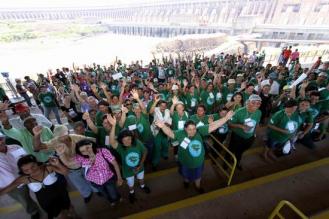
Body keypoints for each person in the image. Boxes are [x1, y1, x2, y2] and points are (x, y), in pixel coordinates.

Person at [154, 111, 234, 193]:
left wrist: (226, 118)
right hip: (185, 163)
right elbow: (170, 133)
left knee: (198, 176)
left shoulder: (199, 131)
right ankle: (186, 182)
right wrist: (163, 126)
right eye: (189, 129)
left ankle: (197, 186)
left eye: (194, 129)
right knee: (185, 175)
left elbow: (213, 125)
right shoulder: (180, 133)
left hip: (198, 162)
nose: (192, 131)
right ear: (185, 129)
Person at [33, 125, 97, 203]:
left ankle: (97, 190)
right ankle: (87, 194)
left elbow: (93, 140)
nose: (62, 139)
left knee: (92, 179)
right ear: (55, 137)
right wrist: (37, 135)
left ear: (68, 133)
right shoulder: (54, 142)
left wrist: (90, 153)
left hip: (85, 165)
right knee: (79, 184)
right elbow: (37, 147)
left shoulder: (76, 137)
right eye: (59, 137)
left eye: (64, 136)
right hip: (71, 169)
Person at [0, 154, 77, 219]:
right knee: (61, 216)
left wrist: (58, 164)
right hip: (47, 203)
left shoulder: (48, 168)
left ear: (36, 163)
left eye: (33, 166)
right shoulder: (24, 179)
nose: (31, 171)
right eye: (26, 170)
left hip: (62, 195)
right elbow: (7, 189)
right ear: (22, 171)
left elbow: (66, 172)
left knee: (70, 210)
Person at [108, 115, 151, 203]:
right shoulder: (120, 147)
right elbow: (112, 142)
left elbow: (145, 151)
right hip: (127, 170)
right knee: (130, 183)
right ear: (121, 141)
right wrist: (113, 126)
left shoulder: (137, 143)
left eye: (129, 139)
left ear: (132, 138)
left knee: (141, 178)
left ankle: (142, 186)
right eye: (124, 140)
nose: (127, 142)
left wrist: (141, 164)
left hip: (140, 167)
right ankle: (131, 192)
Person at [0, 132, 40, 219]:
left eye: (0, 139)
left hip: (28, 177)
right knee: (25, 200)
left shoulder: (15, 147)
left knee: (40, 192)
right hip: (11, 185)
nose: (0, 142)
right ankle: (34, 212)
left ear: (4, 138)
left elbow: (26, 159)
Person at [75, 139, 123, 206]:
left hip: (108, 179)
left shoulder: (103, 151)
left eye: (87, 148)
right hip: (95, 182)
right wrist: (91, 155)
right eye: (83, 151)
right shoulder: (80, 157)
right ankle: (111, 201)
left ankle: (117, 197)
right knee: (104, 194)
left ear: (91, 145)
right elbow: (78, 164)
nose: (86, 151)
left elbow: (115, 164)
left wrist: (119, 177)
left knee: (113, 193)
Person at [228, 94, 262, 170]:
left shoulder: (259, 112)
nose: (256, 105)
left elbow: (257, 123)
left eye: (258, 103)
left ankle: (237, 159)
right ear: (248, 102)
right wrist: (241, 126)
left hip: (250, 137)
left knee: (242, 150)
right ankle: (227, 162)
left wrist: (255, 134)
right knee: (231, 149)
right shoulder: (239, 111)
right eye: (253, 102)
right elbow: (229, 124)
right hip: (237, 136)